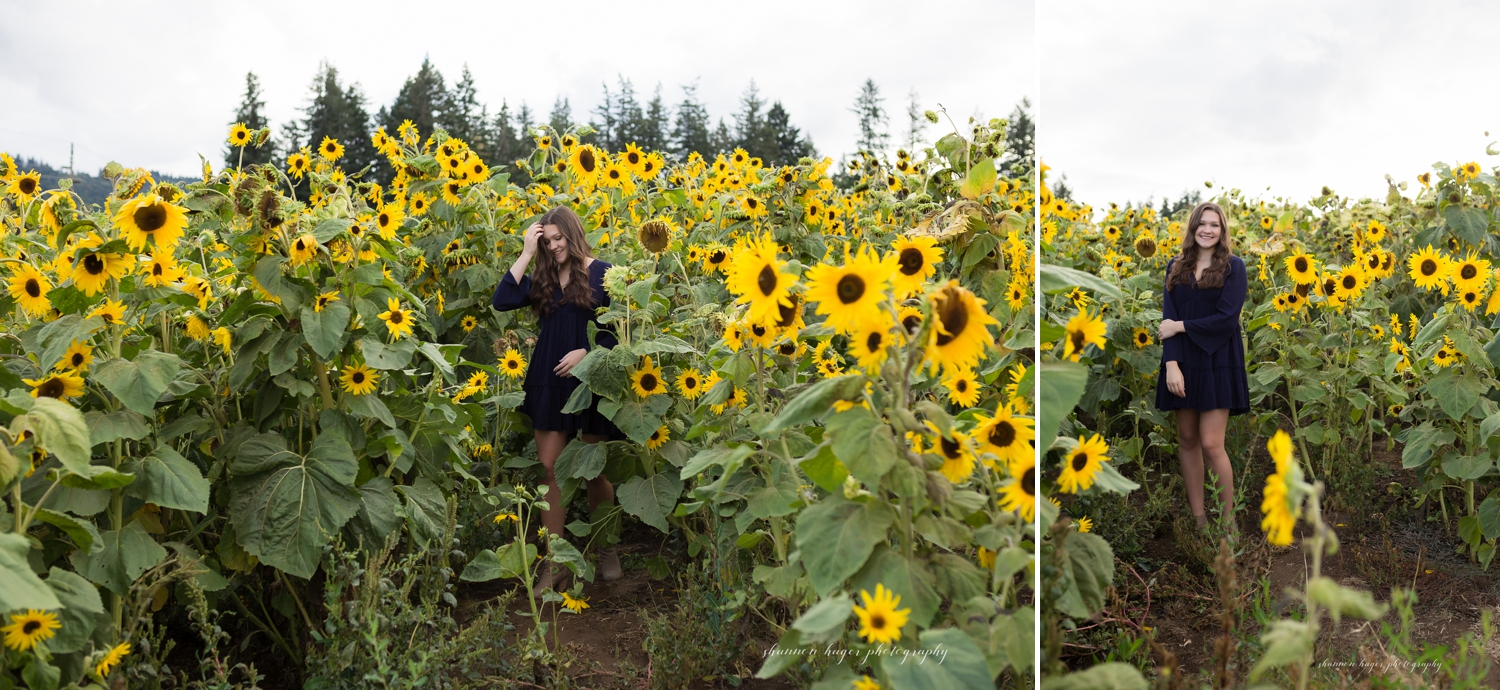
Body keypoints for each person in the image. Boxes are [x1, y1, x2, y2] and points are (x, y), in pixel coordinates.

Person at [491, 205, 623, 594]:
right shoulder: (543, 276)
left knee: (593, 470)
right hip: (549, 379)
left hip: (590, 381)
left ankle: (607, 548)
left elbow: (618, 330)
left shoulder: (604, 273)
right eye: (546, 241)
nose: (553, 247)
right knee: (550, 470)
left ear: (572, 234)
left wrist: (588, 352)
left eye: (558, 239)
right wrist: (527, 252)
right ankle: (556, 563)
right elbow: (502, 299)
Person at [1155, 201, 1250, 532]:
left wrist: (1180, 327)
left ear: (1222, 231)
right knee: (1187, 439)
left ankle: (1228, 524)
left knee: (1211, 443)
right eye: (1202, 224)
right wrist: (1171, 365)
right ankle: (1199, 522)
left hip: (1219, 360)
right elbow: (1167, 319)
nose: (1208, 230)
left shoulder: (1233, 267)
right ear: (1193, 227)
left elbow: (1226, 319)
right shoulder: (1176, 266)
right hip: (1184, 362)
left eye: (1215, 225)